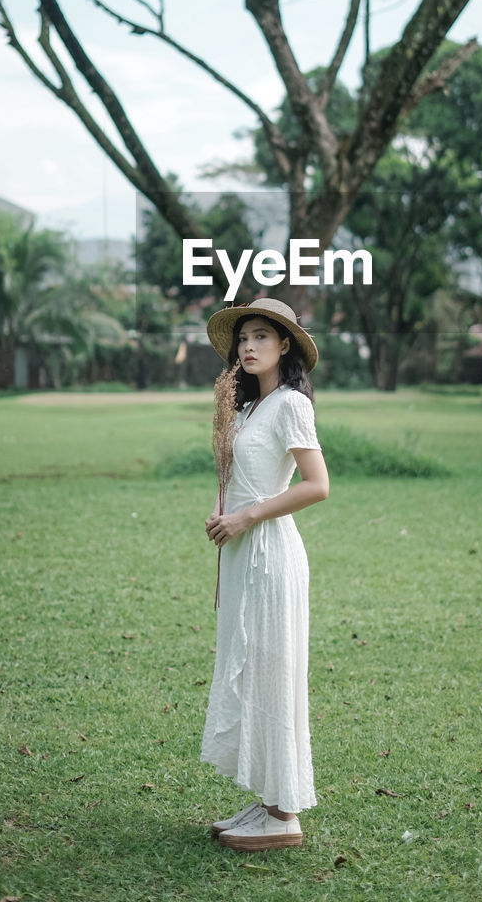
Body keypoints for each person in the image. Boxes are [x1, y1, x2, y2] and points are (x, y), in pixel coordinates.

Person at [201, 297, 329, 852]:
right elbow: (236, 480)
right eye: (243, 339)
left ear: (285, 346)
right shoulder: (251, 408)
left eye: (260, 337)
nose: (248, 347)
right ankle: (268, 798)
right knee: (253, 670)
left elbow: (316, 484)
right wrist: (222, 520)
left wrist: (248, 516)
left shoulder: (291, 406)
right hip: (240, 555)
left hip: (271, 554)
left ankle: (284, 816)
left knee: (274, 671)